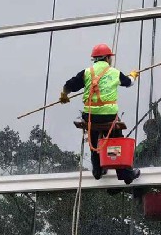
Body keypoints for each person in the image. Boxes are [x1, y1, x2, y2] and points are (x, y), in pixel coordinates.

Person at [60, 43, 141, 184]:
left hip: (91, 115)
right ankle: (125, 173)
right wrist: (133, 75)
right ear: (108, 58)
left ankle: (97, 170)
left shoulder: (86, 73)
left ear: (95, 59)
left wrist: (64, 94)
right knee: (115, 139)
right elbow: (129, 83)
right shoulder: (114, 72)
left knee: (93, 136)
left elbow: (69, 85)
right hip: (109, 115)